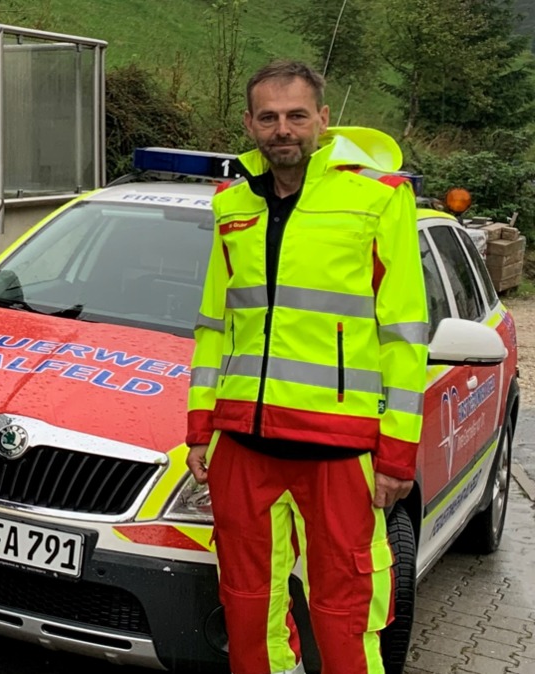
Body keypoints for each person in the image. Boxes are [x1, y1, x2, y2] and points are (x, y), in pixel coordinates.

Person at [185, 60, 427, 674]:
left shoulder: (379, 199)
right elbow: (215, 325)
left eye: (296, 115)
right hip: (243, 443)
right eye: (268, 117)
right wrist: (198, 429)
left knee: (347, 617)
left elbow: (403, 335)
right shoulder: (231, 205)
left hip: (339, 449)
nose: (282, 129)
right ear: (249, 124)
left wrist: (397, 452)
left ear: (322, 119)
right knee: (245, 611)